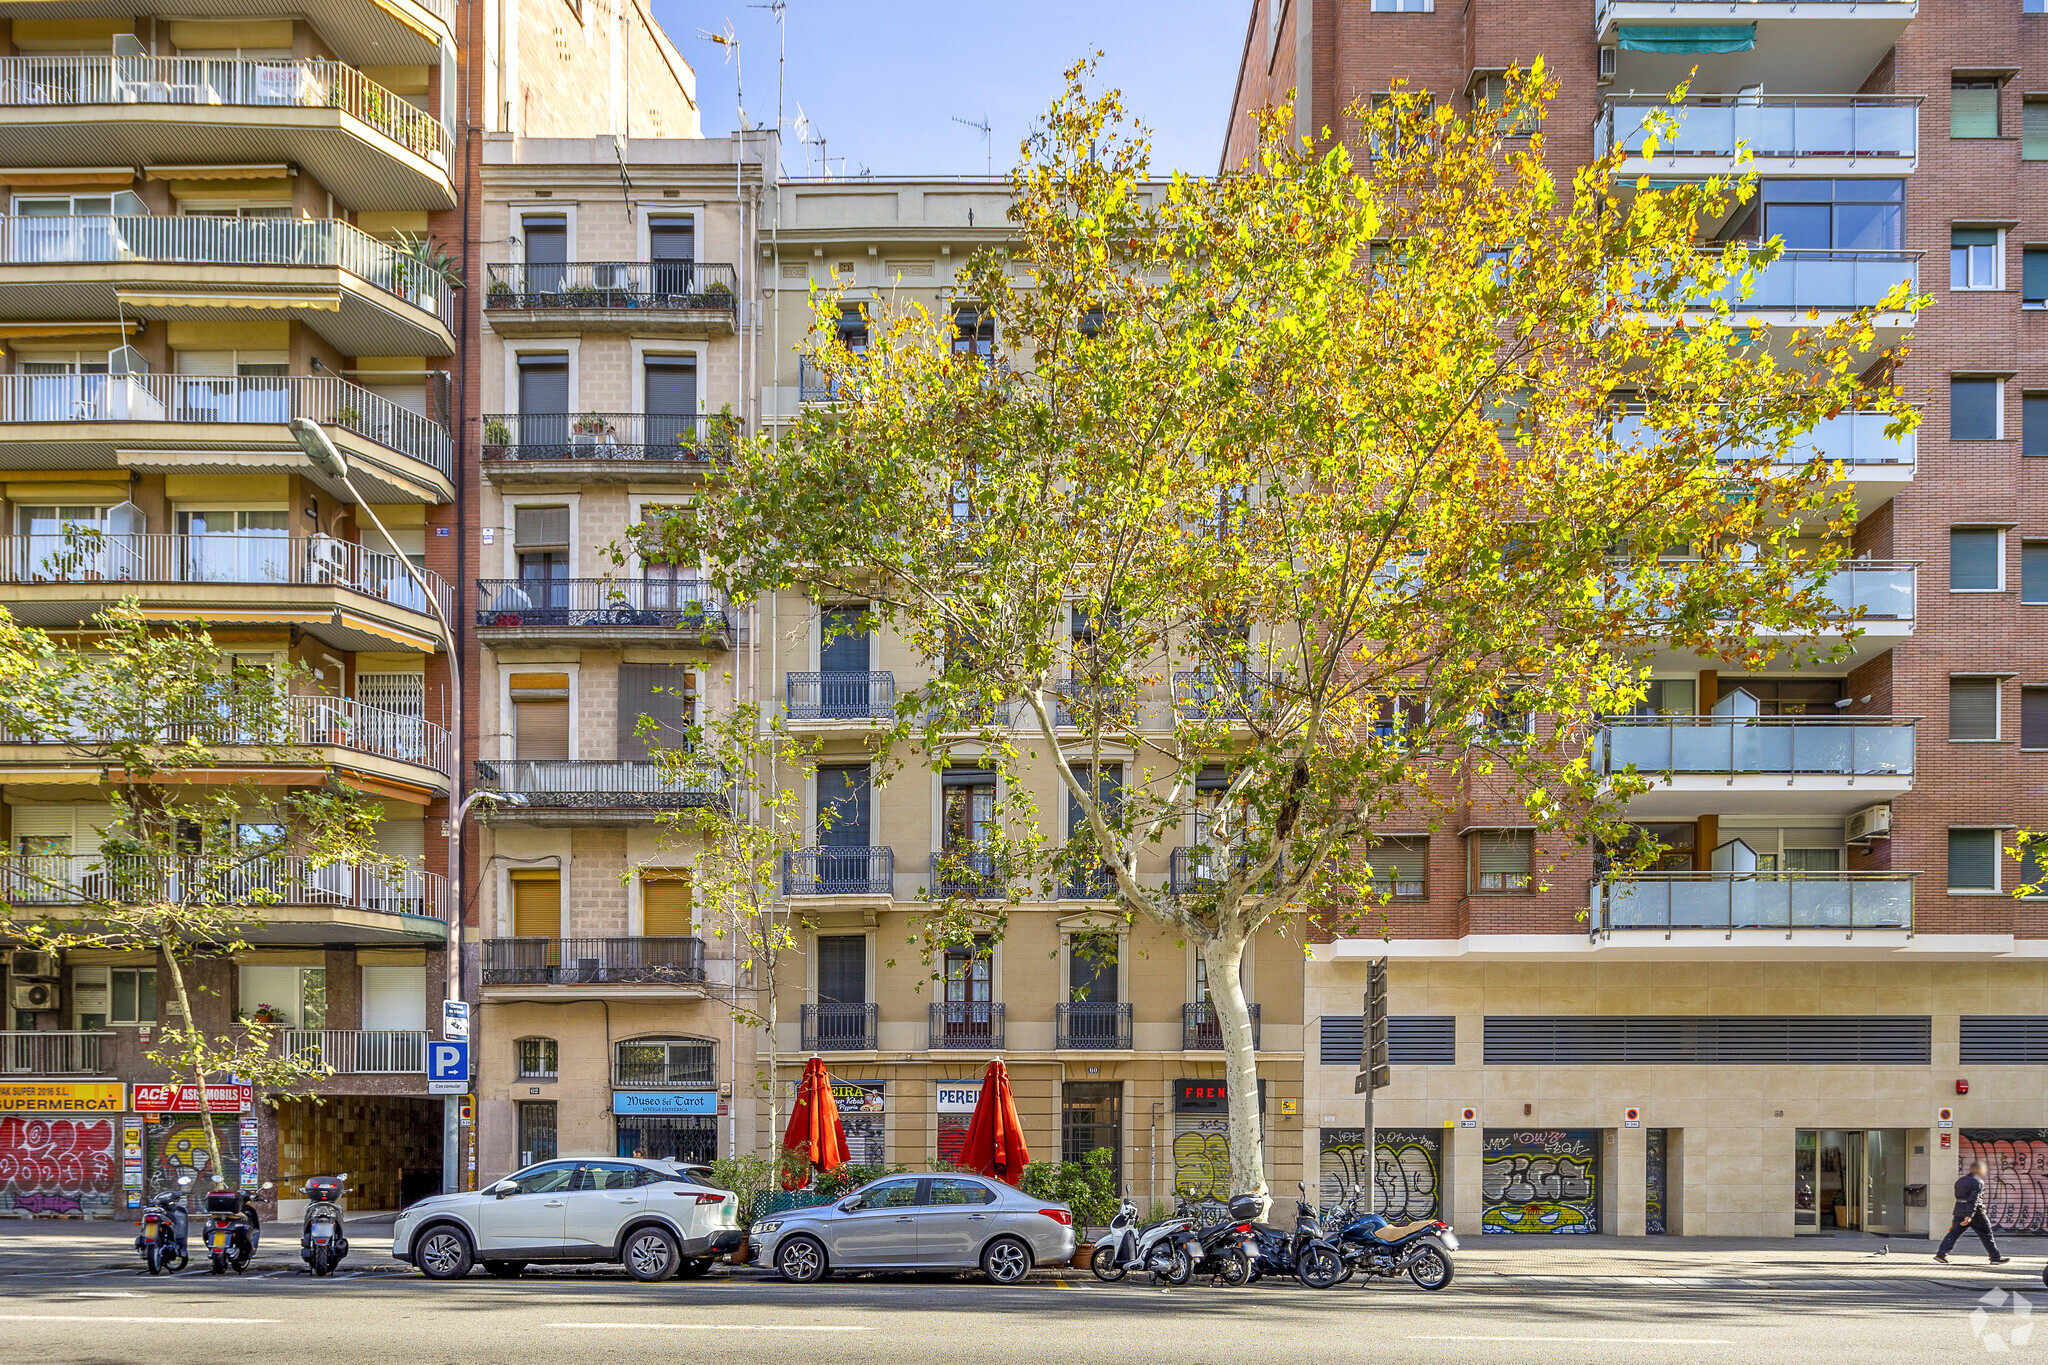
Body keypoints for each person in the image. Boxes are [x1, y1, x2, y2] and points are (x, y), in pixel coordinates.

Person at [1936, 1158, 2009, 1264]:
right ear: (1979, 1170)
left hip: (1959, 1210)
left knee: (1954, 1233)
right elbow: (1973, 1199)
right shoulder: (1978, 1181)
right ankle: (1995, 1258)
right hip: (1976, 1213)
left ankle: (1941, 1254)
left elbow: (1959, 1196)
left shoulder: (1960, 1180)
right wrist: (1969, 1215)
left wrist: (1964, 1212)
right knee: (1986, 1234)